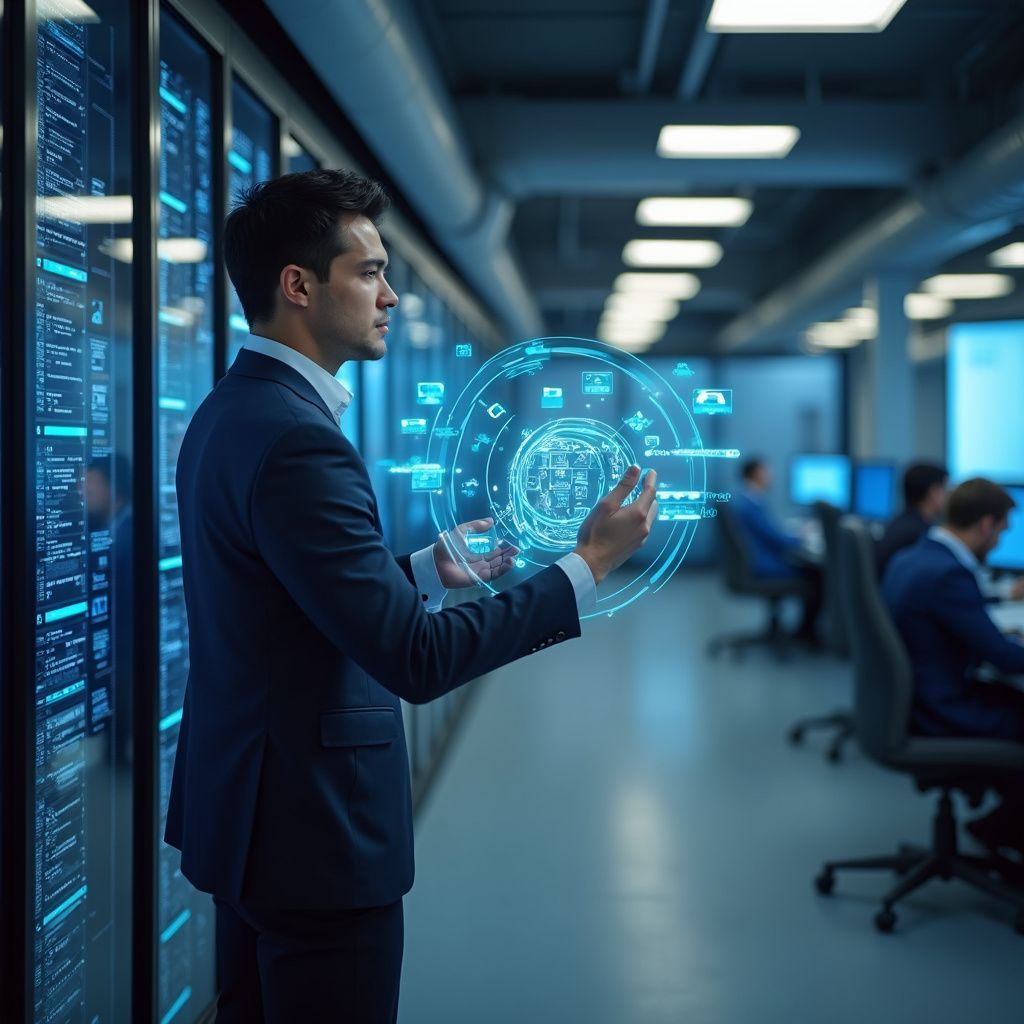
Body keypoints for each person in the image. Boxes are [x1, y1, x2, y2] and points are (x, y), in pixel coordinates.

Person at [163, 169, 658, 1023]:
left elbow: (281, 607)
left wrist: (424, 571)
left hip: (251, 821)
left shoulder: (234, 412)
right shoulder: (297, 441)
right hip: (315, 837)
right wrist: (587, 567)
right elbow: (416, 658)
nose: (390, 296)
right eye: (369, 273)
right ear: (298, 286)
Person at [882, 478, 1024, 854]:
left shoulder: (915, 556)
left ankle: (998, 826)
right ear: (984, 525)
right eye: (1002, 532)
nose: (999, 543)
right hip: (942, 712)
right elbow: (1007, 659)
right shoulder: (949, 575)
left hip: (914, 701)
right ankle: (1005, 830)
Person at [732, 457, 822, 641]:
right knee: (816, 575)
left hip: (754, 561)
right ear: (756, 474)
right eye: (766, 472)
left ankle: (804, 630)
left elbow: (770, 534)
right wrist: (802, 538)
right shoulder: (751, 506)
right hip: (762, 566)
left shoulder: (747, 500)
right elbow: (776, 539)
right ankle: (807, 634)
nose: (771, 476)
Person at [876, 462, 948, 576]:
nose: (949, 497)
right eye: (947, 490)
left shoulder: (898, 523)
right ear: (934, 492)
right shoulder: (922, 536)